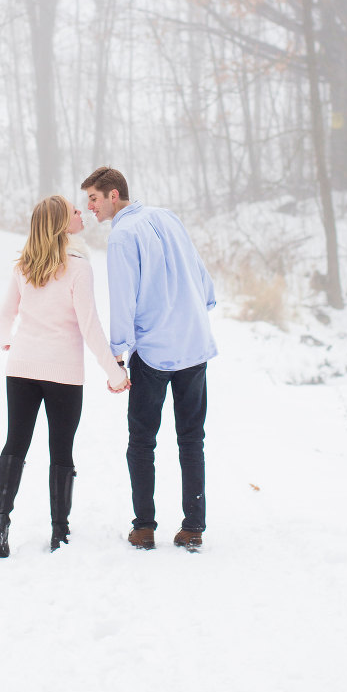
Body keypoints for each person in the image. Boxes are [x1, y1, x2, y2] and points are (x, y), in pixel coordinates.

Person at [81, 166, 217, 552]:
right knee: (192, 439)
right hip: (192, 344)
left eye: (93, 198)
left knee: (142, 441)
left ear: (113, 195)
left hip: (155, 353)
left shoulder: (122, 236)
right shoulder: (165, 216)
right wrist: (202, 302)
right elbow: (197, 267)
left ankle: (144, 527)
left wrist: (117, 355)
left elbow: (123, 298)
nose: (89, 207)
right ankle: (193, 527)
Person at [0, 194, 129, 558]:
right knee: (61, 450)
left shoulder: (26, 264)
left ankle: (0, 523)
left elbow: (3, 315)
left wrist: (8, 342)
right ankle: (59, 532)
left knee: (15, 445)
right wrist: (114, 373)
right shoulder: (78, 265)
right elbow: (89, 325)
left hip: (21, 368)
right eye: (74, 211)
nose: (81, 213)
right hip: (63, 373)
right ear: (61, 224)